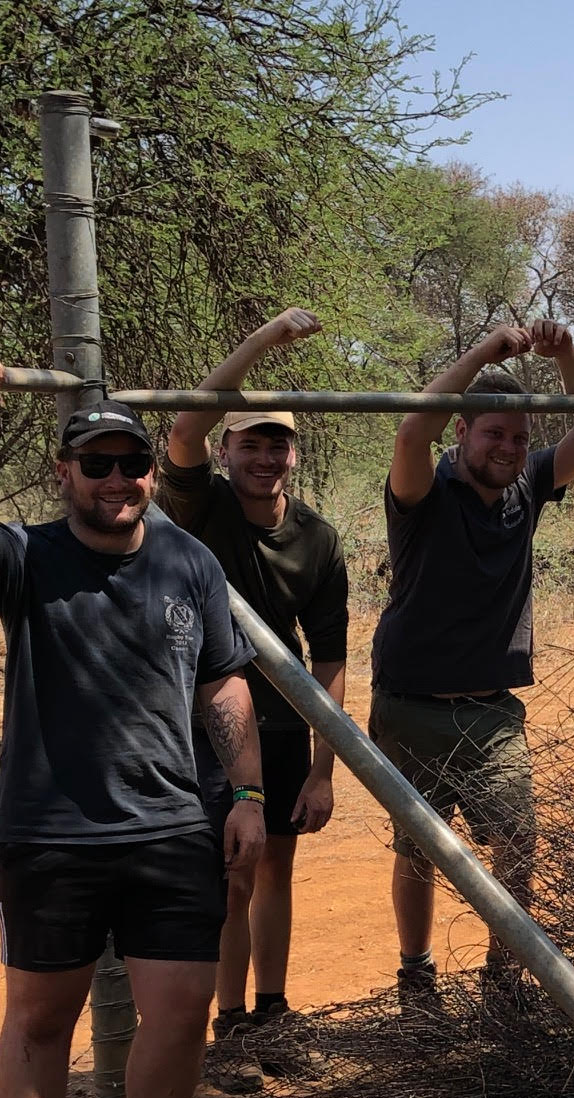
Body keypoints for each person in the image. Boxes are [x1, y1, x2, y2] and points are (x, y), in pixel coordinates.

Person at [0, 357, 265, 1098]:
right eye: (98, 464)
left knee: (183, 1009)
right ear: (64, 473)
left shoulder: (188, 560)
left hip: (170, 829)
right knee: (41, 1020)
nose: (118, 480)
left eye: (133, 465)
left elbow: (223, 682)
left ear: (152, 474)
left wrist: (245, 796)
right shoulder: (30, 557)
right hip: (47, 833)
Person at [369, 320, 574, 1002]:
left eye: (518, 436)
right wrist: (483, 353)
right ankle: (416, 975)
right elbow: (409, 432)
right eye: (493, 433)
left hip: (491, 712)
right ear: (464, 435)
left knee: (516, 840)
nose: (508, 447)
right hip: (410, 704)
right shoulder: (424, 489)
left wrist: (565, 353)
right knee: (418, 849)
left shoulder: (530, 484)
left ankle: (505, 976)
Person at [159, 307, 351, 1042]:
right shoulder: (198, 504)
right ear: (228, 450)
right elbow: (182, 430)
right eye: (249, 443)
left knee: (275, 870)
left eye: (278, 444)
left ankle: (272, 1013)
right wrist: (263, 342)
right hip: (205, 722)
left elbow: (329, 657)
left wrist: (324, 770)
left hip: (281, 723)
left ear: (294, 454)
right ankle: (229, 1023)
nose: (265, 457)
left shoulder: (316, 538)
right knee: (232, 874)